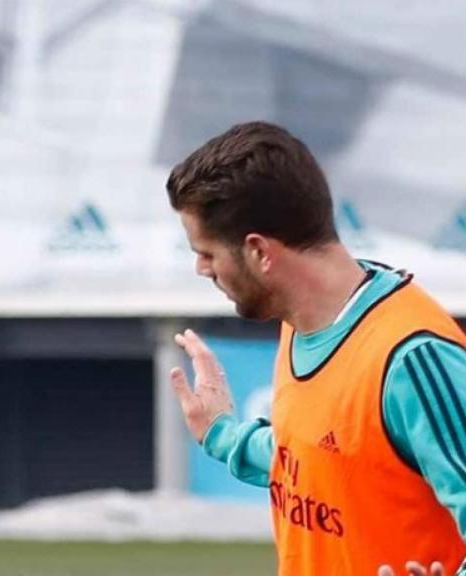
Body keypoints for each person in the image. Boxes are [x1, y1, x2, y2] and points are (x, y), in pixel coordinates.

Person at [165, 122, 466, 576]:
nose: (200, 269)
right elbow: (319, 463)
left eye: (206, 252)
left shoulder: (412, 357)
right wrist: (220, 434)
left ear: (259, 252)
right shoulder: (299, 322)